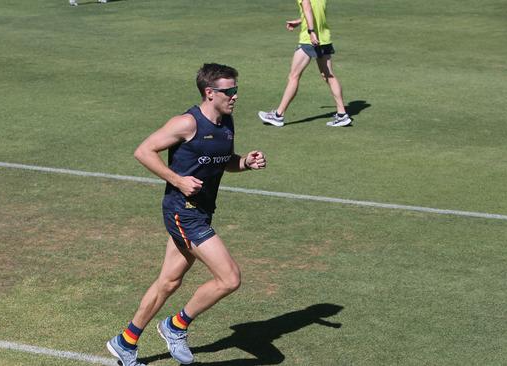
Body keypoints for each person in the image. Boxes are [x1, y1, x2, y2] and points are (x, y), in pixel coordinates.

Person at [106, 63, 267, 366]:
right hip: (183, 213)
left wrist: (244, 162)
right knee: (230, 278)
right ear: (209, 93)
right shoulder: (186, 123)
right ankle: (175, 325)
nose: (235, 96)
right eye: (228, 91)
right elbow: (143, 151)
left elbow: (221, 161)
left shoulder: (226, 122)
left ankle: (125, 342)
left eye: (236, 89)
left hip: (203, 211)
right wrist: (177, 180)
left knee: (169, 281)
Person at [258, 0, 352, 127]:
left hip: (309, 40)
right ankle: (342, 114)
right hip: (324, 38)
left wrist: (311, 31)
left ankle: (278, 115)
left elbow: (307, 8)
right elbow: (317, 12)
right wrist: (300, 20)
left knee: (293, 76)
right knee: (328, 76)